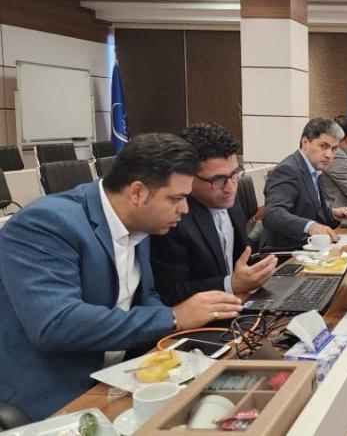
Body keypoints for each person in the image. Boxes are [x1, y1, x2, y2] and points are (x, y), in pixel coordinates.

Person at [0, 134, 243, 421]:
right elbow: (57, 324)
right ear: (137, 192)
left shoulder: (139, 222)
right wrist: (173, 317)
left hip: (120, 378)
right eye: (176, 199)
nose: (185, 209)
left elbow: (145, 296)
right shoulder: (46, 224)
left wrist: (189, 330)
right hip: (56, 396)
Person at [150, 123, 277, 306]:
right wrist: (230, 284)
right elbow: (169, 294)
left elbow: (240, 263)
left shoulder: (229, 201)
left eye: (234, 174)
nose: (230, 187)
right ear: (189, 177)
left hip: (238, 304)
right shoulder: (172, 219)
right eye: (218, 179)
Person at [259, 118, 347, 251]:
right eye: (323, 146)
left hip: (310, 248)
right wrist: (310, 226)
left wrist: (332, 213)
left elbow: (306, 209)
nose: (329, 155)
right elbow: (273, 214)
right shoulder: (288, 170)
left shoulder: (313, 168)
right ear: (305, 143)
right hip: (287, 251)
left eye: (334, 149)